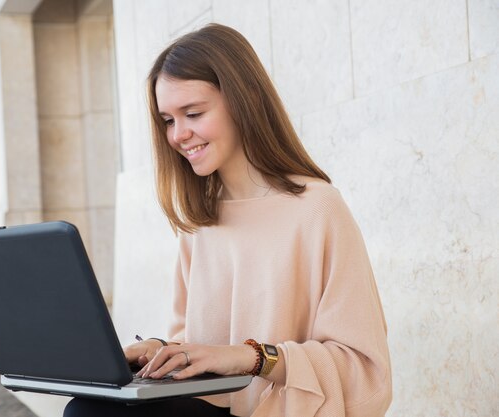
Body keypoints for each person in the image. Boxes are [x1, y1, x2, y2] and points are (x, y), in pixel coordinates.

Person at [64, 23, 391, 417]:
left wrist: (252, 358)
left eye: (194, 113)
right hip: (210, 407)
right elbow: (193, 340)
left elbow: (365, 370)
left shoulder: (318, 209)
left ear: (244, 99)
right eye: (168, 120)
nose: (179, 134)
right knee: (88, 410)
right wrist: (163, 350)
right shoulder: (201, 219)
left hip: (279, 410)